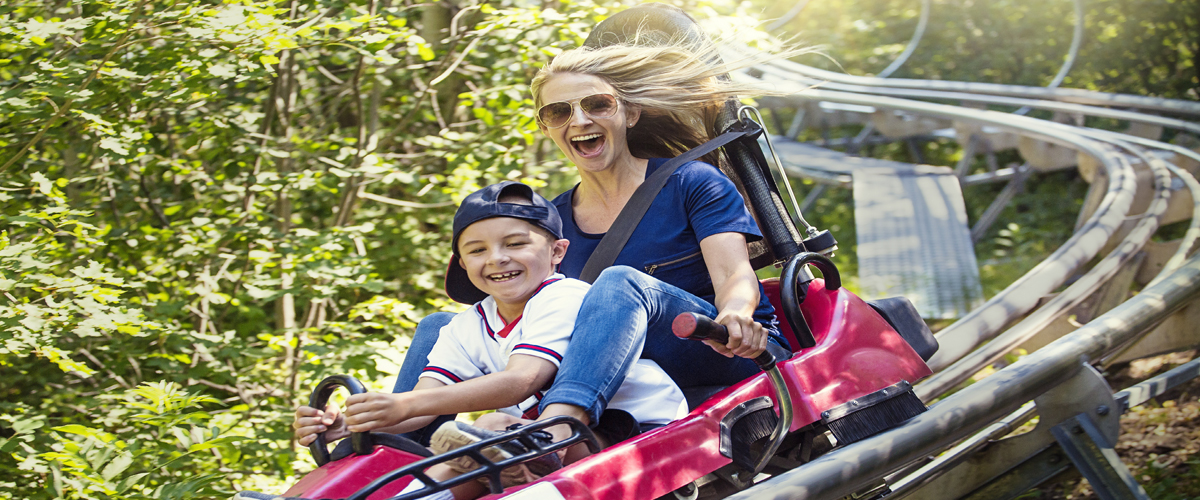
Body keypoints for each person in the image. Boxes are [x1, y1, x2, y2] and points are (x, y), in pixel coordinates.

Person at [386, 33, 797, 463]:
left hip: (722, 347)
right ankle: (375, 453)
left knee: (619, 283)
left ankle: (555, 434)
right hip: (617, 370)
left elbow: (734, 275)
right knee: (440, 326)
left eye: (597, 105)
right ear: (547, 127)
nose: (579, 120)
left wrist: (736, 314)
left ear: (629, 113)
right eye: (559, 112)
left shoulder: (691, 182)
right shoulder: (551, 221)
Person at [293, 181, 687, 498]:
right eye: (478, 250)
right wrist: (353, 424)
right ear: (463, 265)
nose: (497, 258)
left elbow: (522, 380)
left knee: (490, 430)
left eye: (515, 244)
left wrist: (403, 403)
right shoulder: (467, 326)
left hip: (628, 429)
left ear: (557, 251)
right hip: (532, 440)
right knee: (475, 451)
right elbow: (424, 405)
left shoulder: (562, 296)